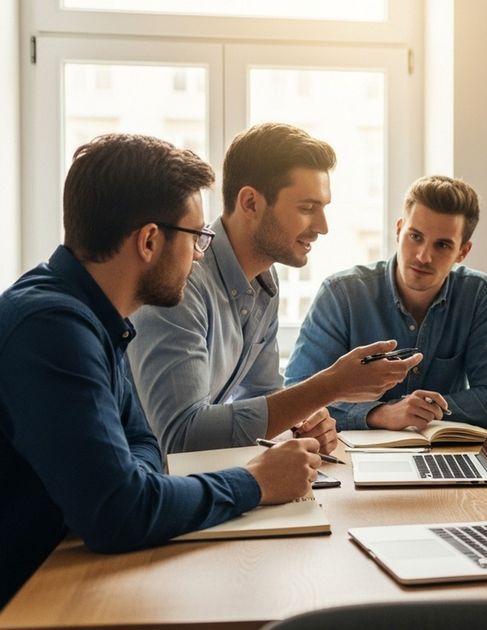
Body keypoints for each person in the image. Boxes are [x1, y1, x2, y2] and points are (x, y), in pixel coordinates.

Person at [0, 134, 321, 607]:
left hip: (67, 569)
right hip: (29, 595)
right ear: (149, 241)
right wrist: (255, 482)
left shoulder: (101, 320)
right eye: (196, 238)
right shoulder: (53, 328)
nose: (199, 255)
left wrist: (139, 488)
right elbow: (120, 512)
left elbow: (144, 446)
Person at [128, 123, 420, 454]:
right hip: (153, 488)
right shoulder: (181, 283)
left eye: (323, 208)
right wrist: (329, 386)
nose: (323, 227)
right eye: (307, 208)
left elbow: (260, 394)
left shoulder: (265, 280)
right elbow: (181, 438)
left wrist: (300, 424)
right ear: (251, 203)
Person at [283, 175, 487, 431]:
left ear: (463, 251)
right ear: (398, 229)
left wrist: (424, 410)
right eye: (415, 236)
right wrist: (381, 414)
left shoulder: (477, 294)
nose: (423, 256)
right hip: (351, 458)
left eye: (442, 245)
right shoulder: (341, 294)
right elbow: (298, 393)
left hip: (439, 456)